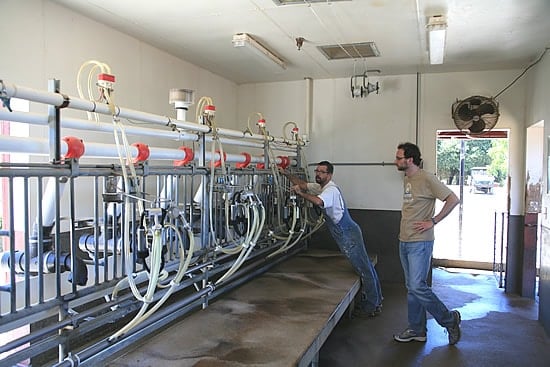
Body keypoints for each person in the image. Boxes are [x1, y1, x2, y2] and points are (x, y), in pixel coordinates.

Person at [280, 161, 383, 317]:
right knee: (365, 265)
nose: (318, 174)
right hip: (344, 232)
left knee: (364, 268)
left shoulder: (330, 190)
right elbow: (302, 184)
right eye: (317, 171)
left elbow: (318, 201)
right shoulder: (320, 187)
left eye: (322, 172)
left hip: (348, 233)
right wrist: (286, 174)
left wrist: (300, 194)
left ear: (329, 175)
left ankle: (372, 305)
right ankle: (376, 299)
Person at [393, 142, 462, 345]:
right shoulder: (408, 177)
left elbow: (453, 199)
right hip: (404, 240)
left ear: (410, 159)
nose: (395, 161)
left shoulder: (427, 178)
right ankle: (417, 330)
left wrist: (433, 221)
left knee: (417, 286)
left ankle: (449, 320)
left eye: (398, 158)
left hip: (420, 243)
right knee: (412, 288)